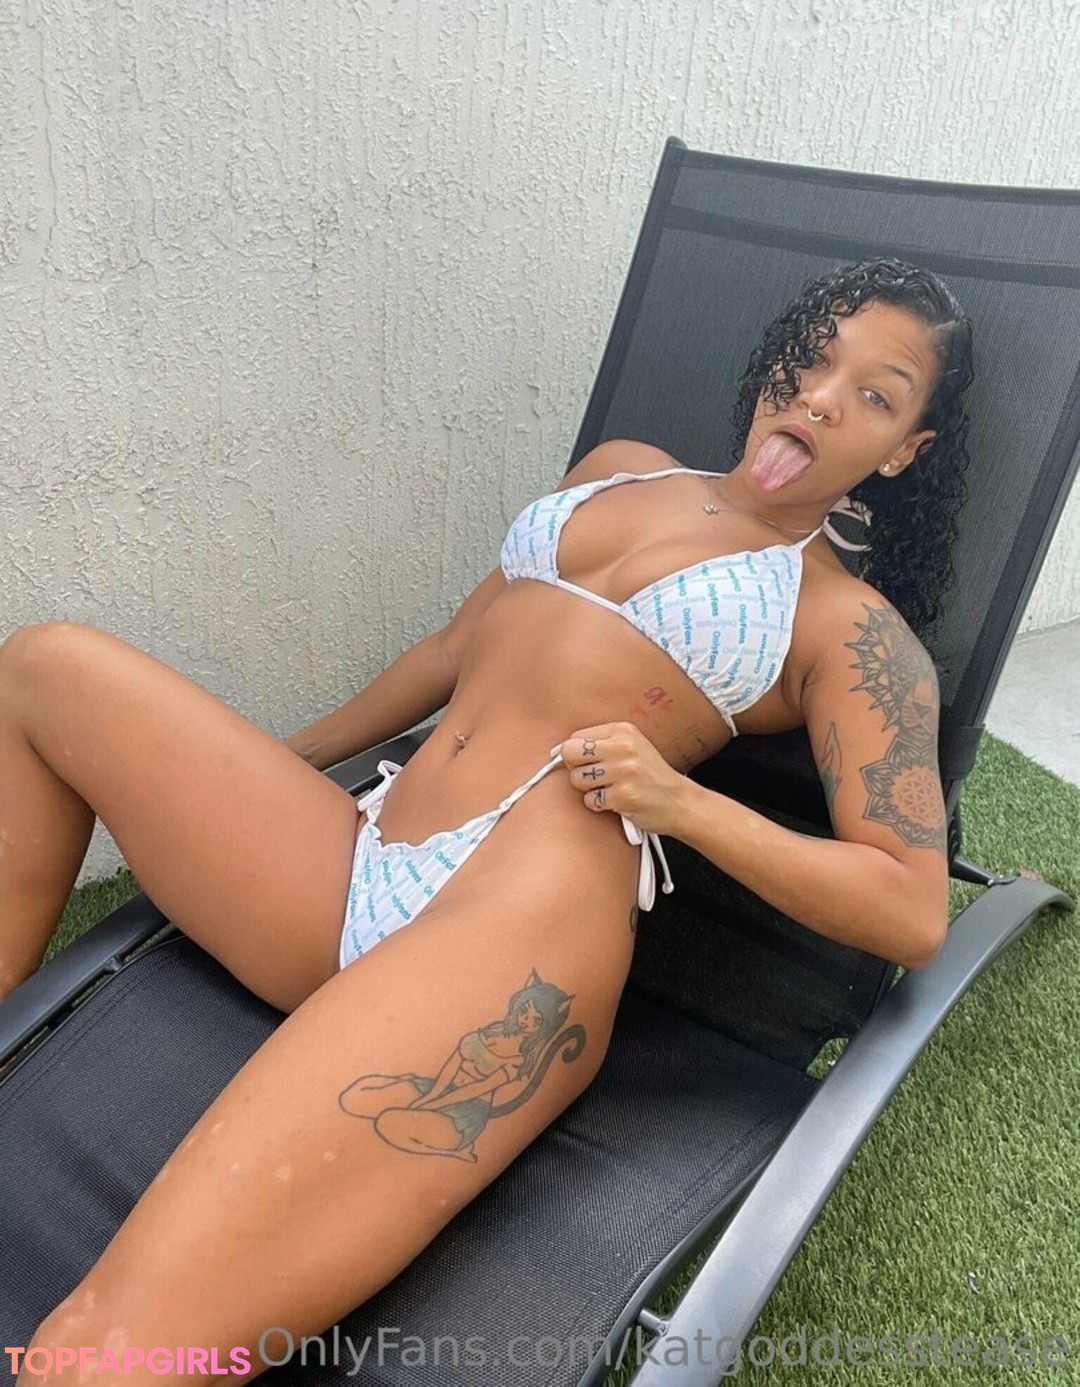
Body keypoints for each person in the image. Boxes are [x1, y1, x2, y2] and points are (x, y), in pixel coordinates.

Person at [2, 257, 973, 1381]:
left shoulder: (852, 628)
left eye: (875, 395)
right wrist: (281, 766)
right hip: (364, 849)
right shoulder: (618, 471)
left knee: (102, 1346)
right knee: (43, 668)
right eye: (818, 356)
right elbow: (453, 651)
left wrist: (685, 805)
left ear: (904, 451)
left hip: (521, 931)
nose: (822, 395)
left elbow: (909, 909)